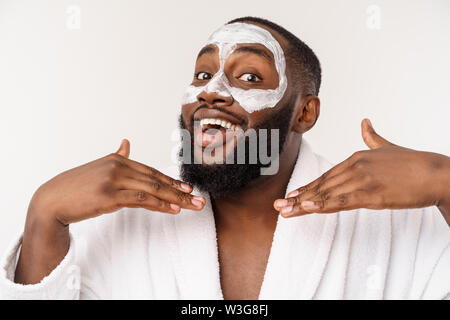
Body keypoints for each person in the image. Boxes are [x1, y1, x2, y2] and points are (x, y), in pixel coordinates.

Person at [1, 16, 449, 300]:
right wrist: (43, 215)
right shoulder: (121, 225)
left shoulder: (396, 226)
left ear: (305, 113)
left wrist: (445, 182)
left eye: (250, 76)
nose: (210, 91)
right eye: (201, 73)